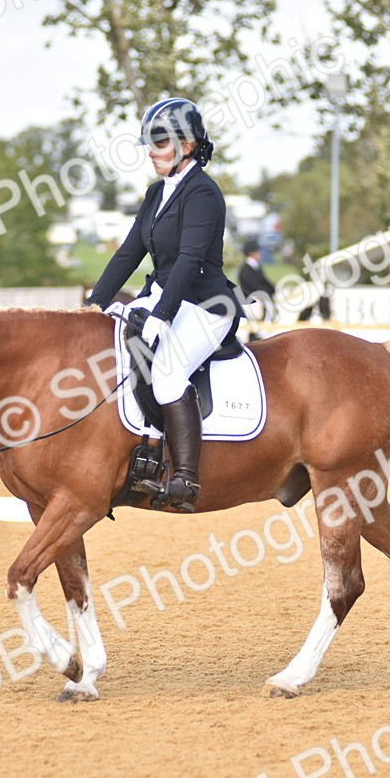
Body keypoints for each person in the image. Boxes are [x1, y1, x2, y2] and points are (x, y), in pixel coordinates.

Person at [85, 97, 243, 513]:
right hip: (164, 294)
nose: (151, 153)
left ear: (188, 146)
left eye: (160, 145)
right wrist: (92, 306)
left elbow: (190, 260)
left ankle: (187, 479)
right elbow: (128, 254)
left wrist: (162, 315)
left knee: (168, 374)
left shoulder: (203, 193)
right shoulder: (157, 193)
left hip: (208, 305)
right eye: (149, 146)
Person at [237, 239, 276, 340]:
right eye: (257, 251)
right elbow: (253, 285)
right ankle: (261, 331)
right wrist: (267, 293)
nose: (260, 253)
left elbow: (265, 281)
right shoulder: (245, 269)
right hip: (251, 297)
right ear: (251, 253)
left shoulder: (257, 267)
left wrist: (274, 290)